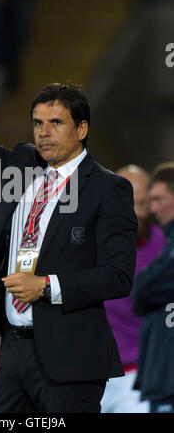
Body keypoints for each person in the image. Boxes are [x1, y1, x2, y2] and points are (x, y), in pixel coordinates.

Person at [0, 10, 138, 413]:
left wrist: (47, 286)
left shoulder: (109, 189)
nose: (43, 131)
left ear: (82, 129)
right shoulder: (22, 165)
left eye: (56, 122)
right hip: (14, 353)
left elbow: (118, 276)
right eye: (38, 123)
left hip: (72, 359)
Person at [101, 165, 165, 413]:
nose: (133, 213)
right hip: (84, 378)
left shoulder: (166, 250)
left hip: (137, 382)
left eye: (141, 203)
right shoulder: (82, 245)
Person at [132, 163, 174, 413]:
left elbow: (144, 289)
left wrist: (146, 284)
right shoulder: (167, 243)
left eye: (158, 199)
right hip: (163, 381)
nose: (153, 209)